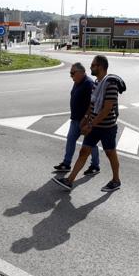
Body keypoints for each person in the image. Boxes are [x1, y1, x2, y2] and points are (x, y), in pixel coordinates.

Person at [52, 55, 121, 192]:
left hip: (107, 128)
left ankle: (116, 180)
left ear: (100, 67)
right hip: (94, 126)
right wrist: (86, 118)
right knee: (84, 152)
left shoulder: (111, 84)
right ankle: (69, 180)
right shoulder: (96, 83)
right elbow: (92, 103)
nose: (90, 67)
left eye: (93, 65)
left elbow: (107, 109)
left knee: (110, 154)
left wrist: (90, 124)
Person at [53, 62, 100, 175]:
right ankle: (66, 163)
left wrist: (87, 119)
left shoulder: (89, 84)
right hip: (75, 120)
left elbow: (93, 104)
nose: (71, 76)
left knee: (91, 144)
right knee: (70, 140)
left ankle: (95, 166)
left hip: (85, 120)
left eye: (73, 73)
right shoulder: (77, 82)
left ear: (81, 72)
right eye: (70, 73)